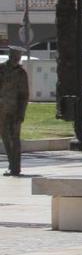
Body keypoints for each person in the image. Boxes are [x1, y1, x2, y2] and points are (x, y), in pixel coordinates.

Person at [0, 48, 29, 176]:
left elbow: (24, 95)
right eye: (15, 56)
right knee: (5, 137)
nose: (17, 59)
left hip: (15, 111)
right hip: (1, 110)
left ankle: (15, 168)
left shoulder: (21, 73)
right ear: (10, 56)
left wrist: (22, 113)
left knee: (15, 138)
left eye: (19, 57)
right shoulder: (1, 69)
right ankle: (12, 165)